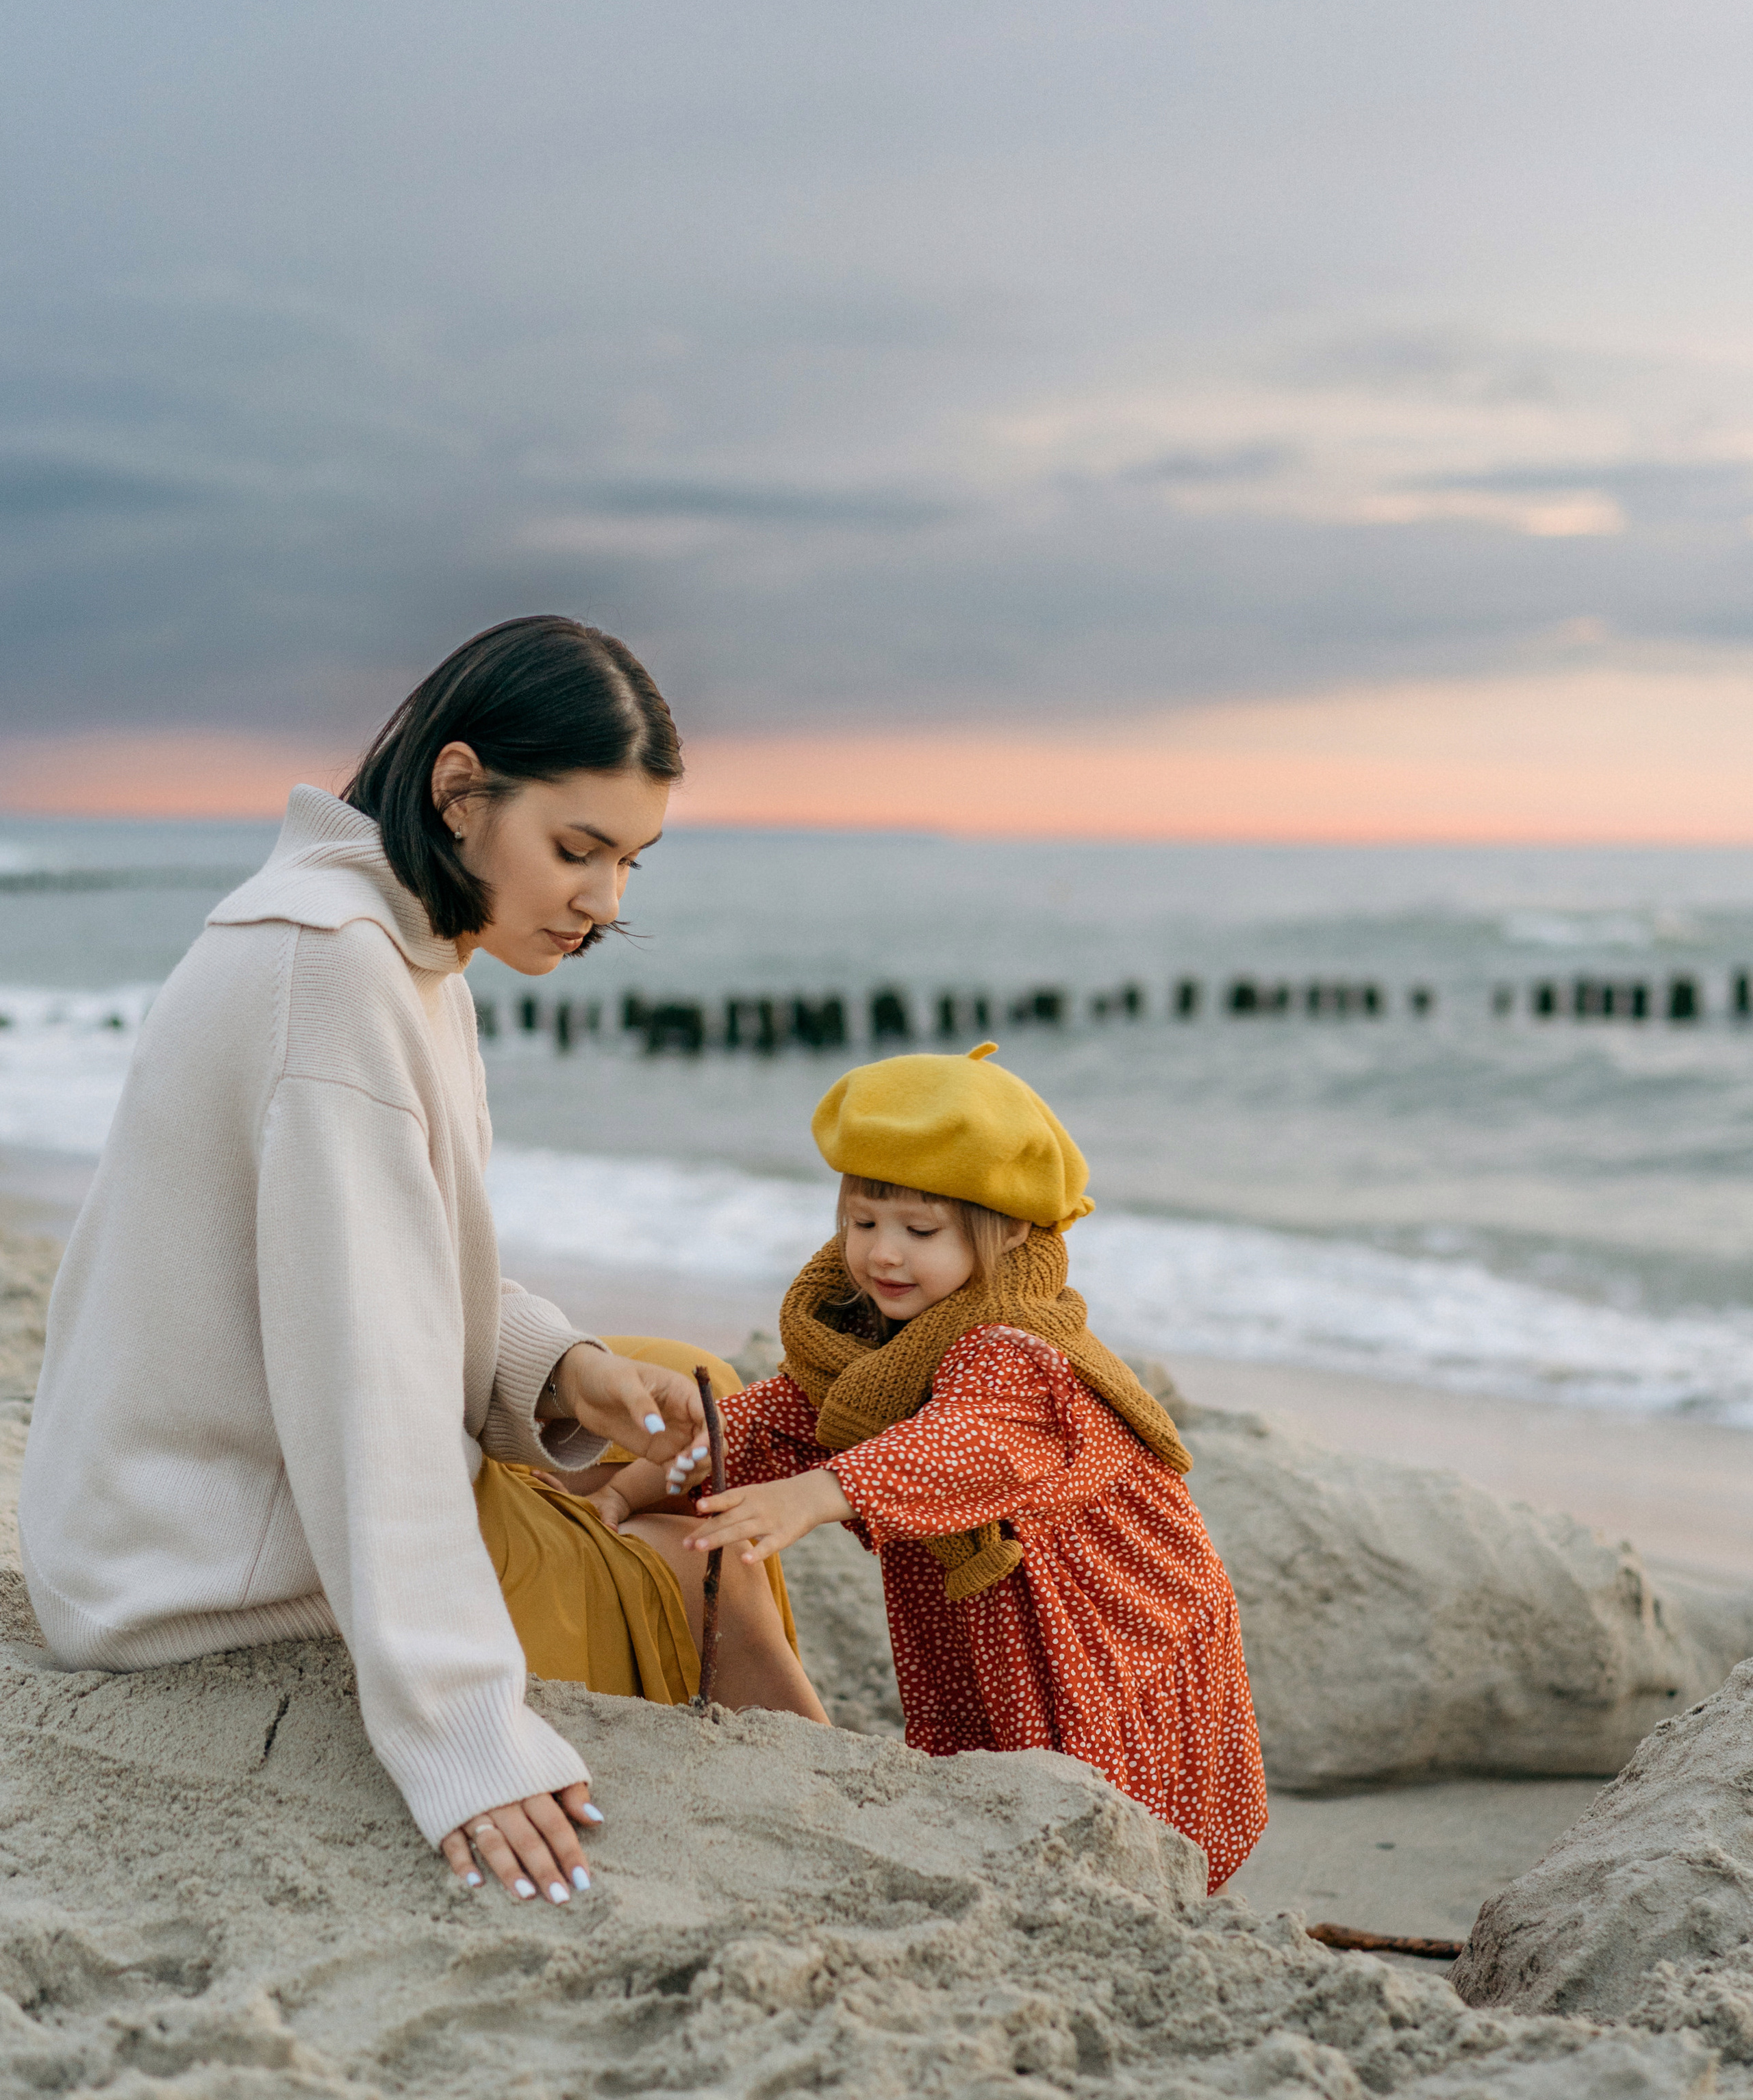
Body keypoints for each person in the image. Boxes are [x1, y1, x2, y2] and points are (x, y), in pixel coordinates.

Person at [18, 616, 824, 1908]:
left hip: (227, 1484)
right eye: (578, 850)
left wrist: (562, 1372)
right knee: (690, 1560)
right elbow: (366, 1383)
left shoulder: (399, 948)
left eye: (630, 861)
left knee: (686, 1393)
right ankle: (790, 1740)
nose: (607, 904)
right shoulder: (332, 975)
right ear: (459, 789)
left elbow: (390, 1263)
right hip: (202, 1567)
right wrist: (463, 1735)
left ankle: (706, 1624)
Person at [603, 1043, 1268, 1889]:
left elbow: (968, 1440)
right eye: (863, 1221)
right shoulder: (879, 1336)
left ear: (1008, 1228)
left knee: (1097, 1766)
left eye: (920, 1231)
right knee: (992, 1748)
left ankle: (1133, 1889)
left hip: (1109, 1603)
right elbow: (794, 1414)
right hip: (996, 1597)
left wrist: (819, 1493)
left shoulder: (1012, 1343)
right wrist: (633, 1481)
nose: (884, 1254)